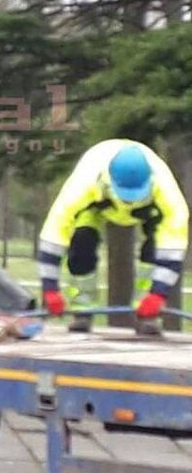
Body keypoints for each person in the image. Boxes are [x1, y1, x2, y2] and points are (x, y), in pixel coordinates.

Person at [38, 140, 188, 332]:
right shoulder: (84, 183)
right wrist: (50, 288)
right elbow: (53, 235)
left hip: (148, 210)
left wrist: (158, 293)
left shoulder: (166, 191)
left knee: (155, 248)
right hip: (96, 206)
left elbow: (173, 247)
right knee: (82, 241)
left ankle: (146, 315)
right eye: (125, 194)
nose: (129, 200)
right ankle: (82, 310)